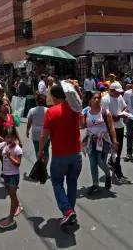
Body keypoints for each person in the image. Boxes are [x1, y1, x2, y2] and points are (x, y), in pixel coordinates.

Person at [38, 85, 82, 227]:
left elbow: (44, 135)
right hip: (76, 153)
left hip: (60, 155)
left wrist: (40, 151)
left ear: (54, 97)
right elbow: (82, 124)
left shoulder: (51, 112)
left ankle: (67, 210)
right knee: (72, 182)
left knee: (57, 182)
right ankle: (71, 212)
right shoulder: (75, 108)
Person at [81, 92, 118, 194]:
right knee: (93, 163)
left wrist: (114, 141)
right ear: (90, 100)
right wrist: (80, 117)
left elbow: (111, 128)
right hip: (90, 140)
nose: (97, 100)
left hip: (103, 140)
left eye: (98, 98)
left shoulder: (105, 112)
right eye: (94, 98)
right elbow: (83, 126)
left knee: (101, 162)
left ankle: (108, 175)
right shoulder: (85, 111)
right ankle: (95, 184)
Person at [0, 126, 23, 228]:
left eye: (11, 137)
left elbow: (17, 164)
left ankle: (10, 218)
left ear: (15, 138)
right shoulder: (2, 145)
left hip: (13, 175)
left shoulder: (17, 150)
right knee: (10, 193)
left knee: (12, 195)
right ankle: (18, 205)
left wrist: (9, 156)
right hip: (5, 174)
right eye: (7, 137)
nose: (9, 140)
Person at [101, 82, 130, 182]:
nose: (119, 94)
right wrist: (117, 116)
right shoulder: (105, 99)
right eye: (117, 92)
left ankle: (113, 163)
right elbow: (107, 115)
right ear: (111, 91)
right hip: (110, 128)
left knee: (119, 149)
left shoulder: (119, 97)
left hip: (120, 127)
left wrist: (124, 112)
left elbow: (125, 107)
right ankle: (118, 172)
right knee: (114, 149)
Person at [26, 93, 50, 166]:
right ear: (44, 101)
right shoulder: (48, 110)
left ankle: (39, 165)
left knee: (37, 150)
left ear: (36, 101)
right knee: (46, 150)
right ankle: (44, 167)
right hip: (46, 133)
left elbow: (29, 122)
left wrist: (27, 131)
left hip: (36, 133)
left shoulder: (32, 110)